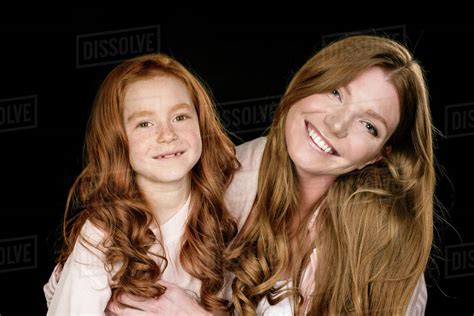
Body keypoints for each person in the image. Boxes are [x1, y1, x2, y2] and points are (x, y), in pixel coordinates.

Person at [227, 35, 434, 315]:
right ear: (308, 81)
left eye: (368, 125)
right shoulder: (220, 179)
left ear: (378, 155)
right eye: (335, 93)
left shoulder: (387, 246)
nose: (336, 124)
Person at [43, 53, 239, 315]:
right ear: (117, 141)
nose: (167, 134)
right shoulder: (102, 235)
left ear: (201, 122)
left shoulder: (231, 203)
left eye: (180, 117)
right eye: (144, 124)